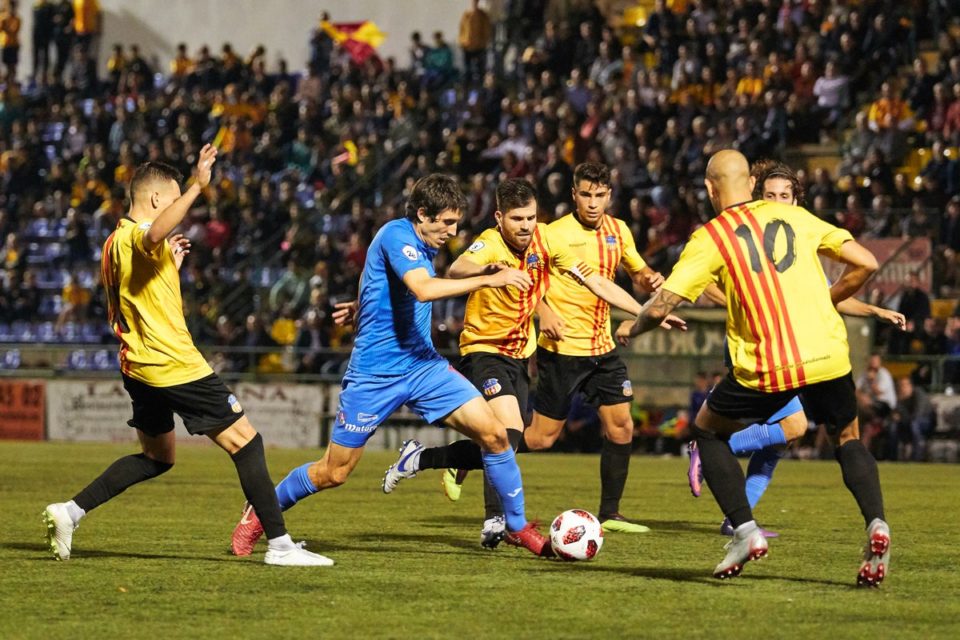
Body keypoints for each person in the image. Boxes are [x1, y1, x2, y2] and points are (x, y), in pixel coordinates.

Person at [230, 174, 555, 560]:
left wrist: (362, 305)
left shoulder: (423, 242)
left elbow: (380, 278)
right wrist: (491, 279)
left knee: (497, 436)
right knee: (334, 471)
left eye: (456, 223)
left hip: (423, 366)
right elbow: (423, 289)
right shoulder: (396, 235)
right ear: (423, 214)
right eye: (447, 223)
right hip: (375, 375)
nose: (453, 232)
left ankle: (517, 526)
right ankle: (260, 512)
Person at [41, 148, 330, 566]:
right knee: (247, 443)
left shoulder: (113, 242)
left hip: (139, 367)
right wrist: (197, 185)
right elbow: (152, 234)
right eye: (174, 199)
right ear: (157, 198)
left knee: (157, 458)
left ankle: (70, 512)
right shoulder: (138, 234)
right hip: (172, 364)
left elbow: (142, 293)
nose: (179, 208)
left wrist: (168, 268)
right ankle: (280, 546)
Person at [621, 150, 890, 587]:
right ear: (751, 184)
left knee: (707, 432)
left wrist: (632, 327)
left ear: (710, 189)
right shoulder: (796, 217)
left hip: (767, 366)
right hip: (827, 356)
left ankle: (745, 531)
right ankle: (877, 524)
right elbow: (867, 262)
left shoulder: (710, 237)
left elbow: (661, 305)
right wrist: (827, 301)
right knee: (847, 438)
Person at [375, 178, 683, 547]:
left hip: (521, 354)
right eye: (517, 218)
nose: (525, 226)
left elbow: (597, 283)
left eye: (531, 218)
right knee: (504, 435)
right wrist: (490, 274)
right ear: (499, 217)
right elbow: (457, 269)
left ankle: (421, 459)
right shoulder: (490, 242)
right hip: (484, 350)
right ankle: (496, 521)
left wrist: (646, 312)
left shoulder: (546, 241)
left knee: (511, 441)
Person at [685, 160, 905, 538]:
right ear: (757, 198)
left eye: (785, 196)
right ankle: (708, 450)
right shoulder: (737, 235)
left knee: (779, 444)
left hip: (797, 347)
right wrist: (740, 303)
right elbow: (703, 281)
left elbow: (826, 296)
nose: (778, 202)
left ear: (796, 200)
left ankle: (736, 519)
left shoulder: (798, 239)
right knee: (795, 426)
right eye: (770, 195)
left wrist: (874, 310)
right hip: (763, 346)